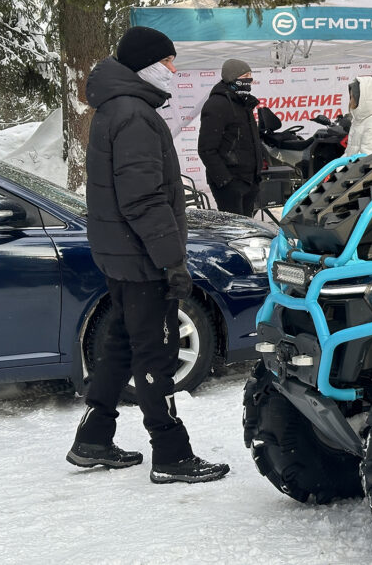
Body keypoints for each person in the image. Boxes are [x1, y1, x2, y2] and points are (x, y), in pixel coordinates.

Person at [68, 25, 229, 484]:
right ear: (147, 65)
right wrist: (170, 261)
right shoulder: (134, 115)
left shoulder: (117, 107)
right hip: (140, 258)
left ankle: (92, 438)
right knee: (155, 352)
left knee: (120, 343)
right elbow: (142, 199)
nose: (175, 71)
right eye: (169, 62)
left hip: (122, 255)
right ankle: (171, 454)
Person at [197, 58, 263, 215]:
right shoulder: (217, 104)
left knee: (247, 233)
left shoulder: (243, 103)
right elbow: (206, 149)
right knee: (234, 234)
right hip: (231, 183)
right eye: (245, 75)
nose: (250, 79)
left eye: (250, 75)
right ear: (233, 77)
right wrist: (226, 181)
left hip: (249, 180)